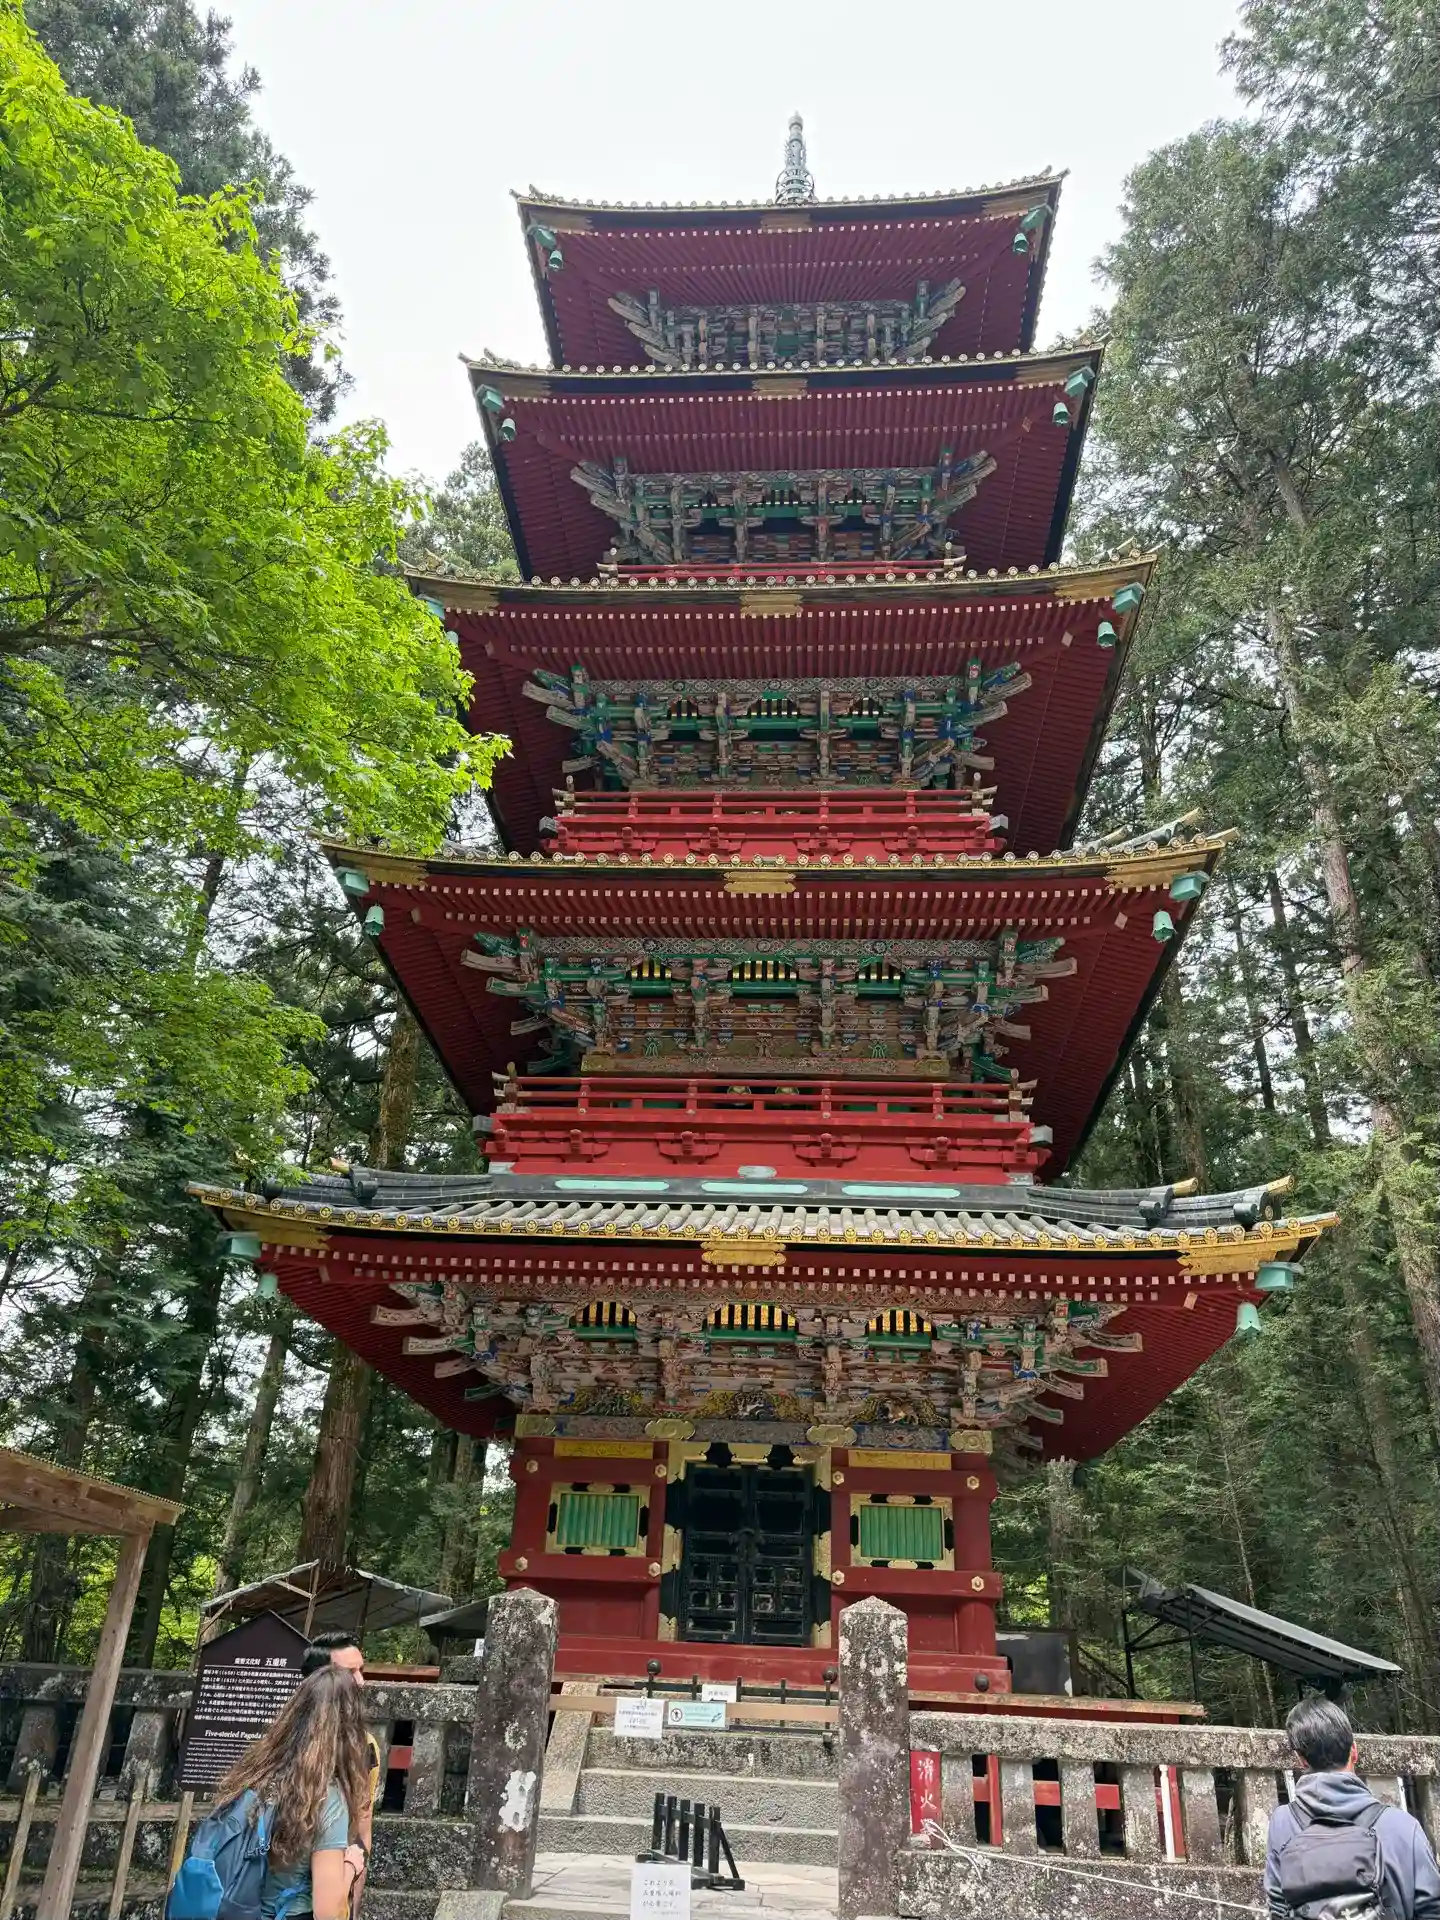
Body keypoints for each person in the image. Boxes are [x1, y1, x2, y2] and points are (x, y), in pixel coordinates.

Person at [211, 1663, 372, 1920]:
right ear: (349, 1728)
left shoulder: (255, 1773)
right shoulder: (326, 1797)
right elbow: (328, 1912)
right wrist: (352, 1865)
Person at [1264, 1696, 1439, 1920]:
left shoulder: (1282, 1822)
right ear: (1354, 1751)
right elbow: (1432, 1909)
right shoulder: (1403, 1827)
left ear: (1302, 1761)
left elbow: (1278, 1909)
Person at [301, 1632, 378, 1910]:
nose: (360, 1681)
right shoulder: (285, 1744)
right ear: (320, 1680)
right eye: (349, 1673)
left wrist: (351, 1908)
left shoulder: (364, 1747)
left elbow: (361, 1834)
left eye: (361, 1670)